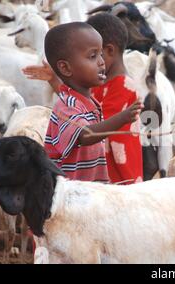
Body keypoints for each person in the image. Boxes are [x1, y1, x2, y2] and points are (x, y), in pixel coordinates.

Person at [40, 22, 143, 182]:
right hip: (69, 194)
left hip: (90, 191)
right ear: (66, 68)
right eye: (93, 56)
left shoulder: (88, 101)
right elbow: (85, 135)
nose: (101, 62)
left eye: (101, 54)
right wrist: (123, 117)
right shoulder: (68, 105)